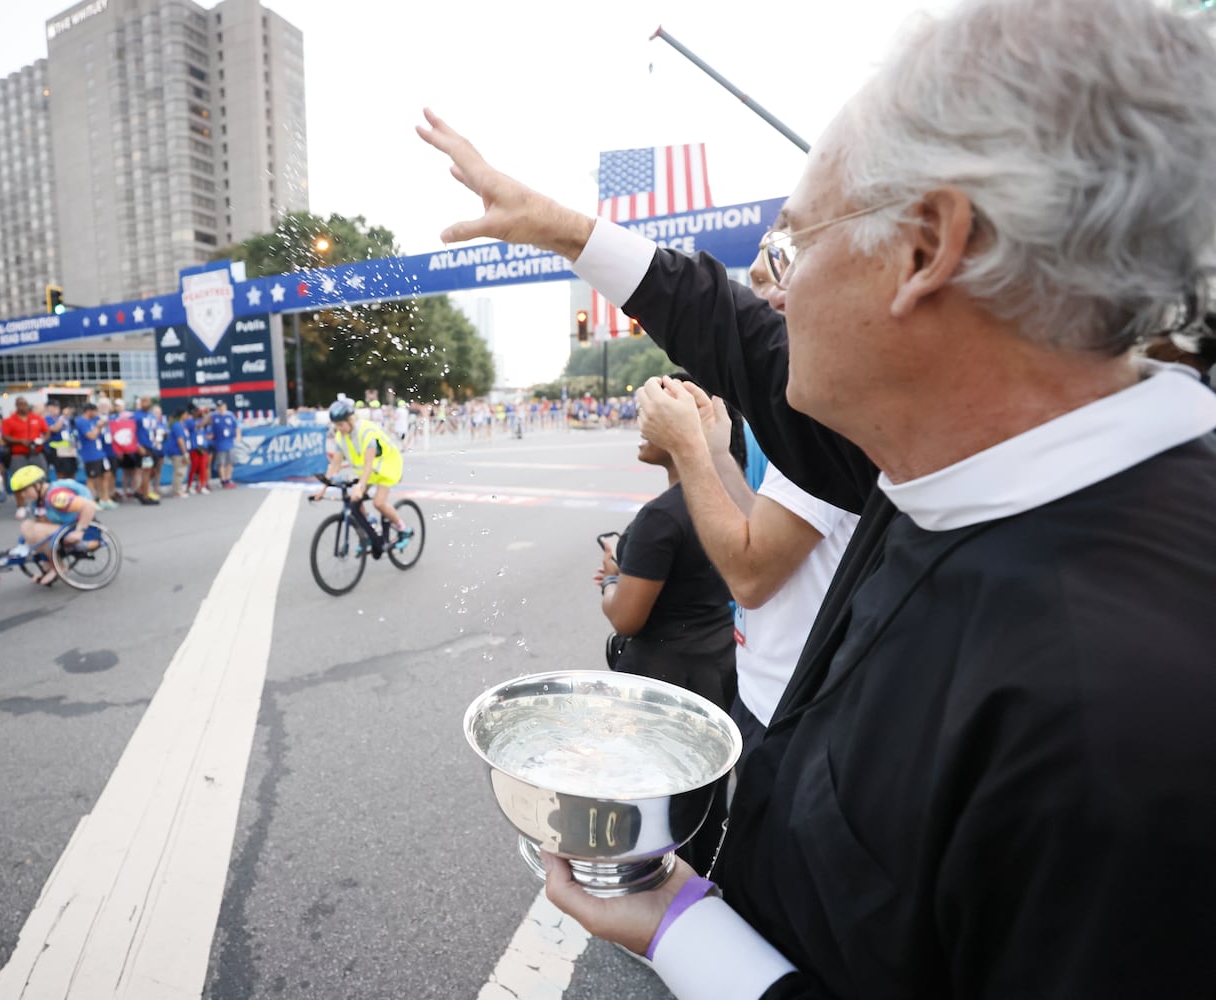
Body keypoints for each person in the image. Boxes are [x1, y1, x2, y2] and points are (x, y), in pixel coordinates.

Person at [418, 0, 1216, 992]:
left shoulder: (1130, 725)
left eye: (790, 249)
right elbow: (740, 340)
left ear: (926, 248)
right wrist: (562, 230)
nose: (772, 292)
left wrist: (684, 934)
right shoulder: (948, 456)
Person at [639, 252, 858, 749]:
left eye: (766, 281)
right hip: (764, 685)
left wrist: (688, 448)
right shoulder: (799, 412)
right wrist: (716, 451)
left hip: (795, 704)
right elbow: (762, 523)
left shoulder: (823, 416)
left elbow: (750, 576)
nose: (756, 302)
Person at [594, 379, 736, 875]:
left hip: (663, 682)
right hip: (718, 668)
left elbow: (627, 615)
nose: (642, 424)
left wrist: (612, 578)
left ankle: (664, 913)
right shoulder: (726, 499)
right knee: (705, 803)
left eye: (653, 417)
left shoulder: (661, 517)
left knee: (659, 806)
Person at [312, 398, 412, 551]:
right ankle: (369, 529)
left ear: (350, 420)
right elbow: (335, 466)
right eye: (336, 425)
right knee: (354, 502)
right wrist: (322, 490)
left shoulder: (366, 432)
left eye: (341, 424)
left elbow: (368, 464)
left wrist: (360, 486)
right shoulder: (340, 436)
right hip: (370, 471)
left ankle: (403, 529)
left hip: (387, 467)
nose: (338, 429)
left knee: (378, 503)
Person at [7, 465, 99, 587]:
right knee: (27, 526)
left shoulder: (56, 497)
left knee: (38, 531)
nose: (23, 495)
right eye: (21, 492)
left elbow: (89, 506)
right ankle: (48, 566)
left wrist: (80, 531)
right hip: (61, 527)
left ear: (37, 485)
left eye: (25, 490)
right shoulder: (39, 500)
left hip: (80, 529)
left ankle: (58, 567)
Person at [0, 396, 49, 520]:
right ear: (16, 406)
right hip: (18, 454)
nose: (23, 406)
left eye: (25, 404)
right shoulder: (9, 420)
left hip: (36, 452)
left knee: (42, 477)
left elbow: (47, 431)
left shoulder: (37, 418)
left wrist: (42, 440)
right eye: (20, 404)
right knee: (19, 480)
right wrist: (20, 441)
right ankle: (21, 506)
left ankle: (42, 503)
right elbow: (5, 436)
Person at [73, 402, 115, 510]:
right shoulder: (81, 422)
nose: (96, 414)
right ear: (89, 411)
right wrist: (98, 426)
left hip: (100, 452)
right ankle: (90, 500)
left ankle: (104, 498)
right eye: (95, 411)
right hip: (90, 454)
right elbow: (91, 435)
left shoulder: (94, 420)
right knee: (92, 478)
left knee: (106, 474)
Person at [43, 403, 80, 482]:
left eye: (57, 407)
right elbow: (55, 429)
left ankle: (73, 488)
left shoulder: (67, 418)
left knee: (72, 471)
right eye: (53, 407)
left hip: (70, 447)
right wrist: (63, 416)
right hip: (58, 449)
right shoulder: (48, 419)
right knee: (61, 472)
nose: (56, 409)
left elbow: (73, 431)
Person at [210, 399, 241, 488]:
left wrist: (238, 436)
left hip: (230, 442)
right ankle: (223, 480)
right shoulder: (213, 417)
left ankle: (228, 478)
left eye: (222, 407)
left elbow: (236, 427)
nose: (221, 409)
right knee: (221, 462)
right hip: (220, 443)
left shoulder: (230, 415)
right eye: (219, 407)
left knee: (230, 462)